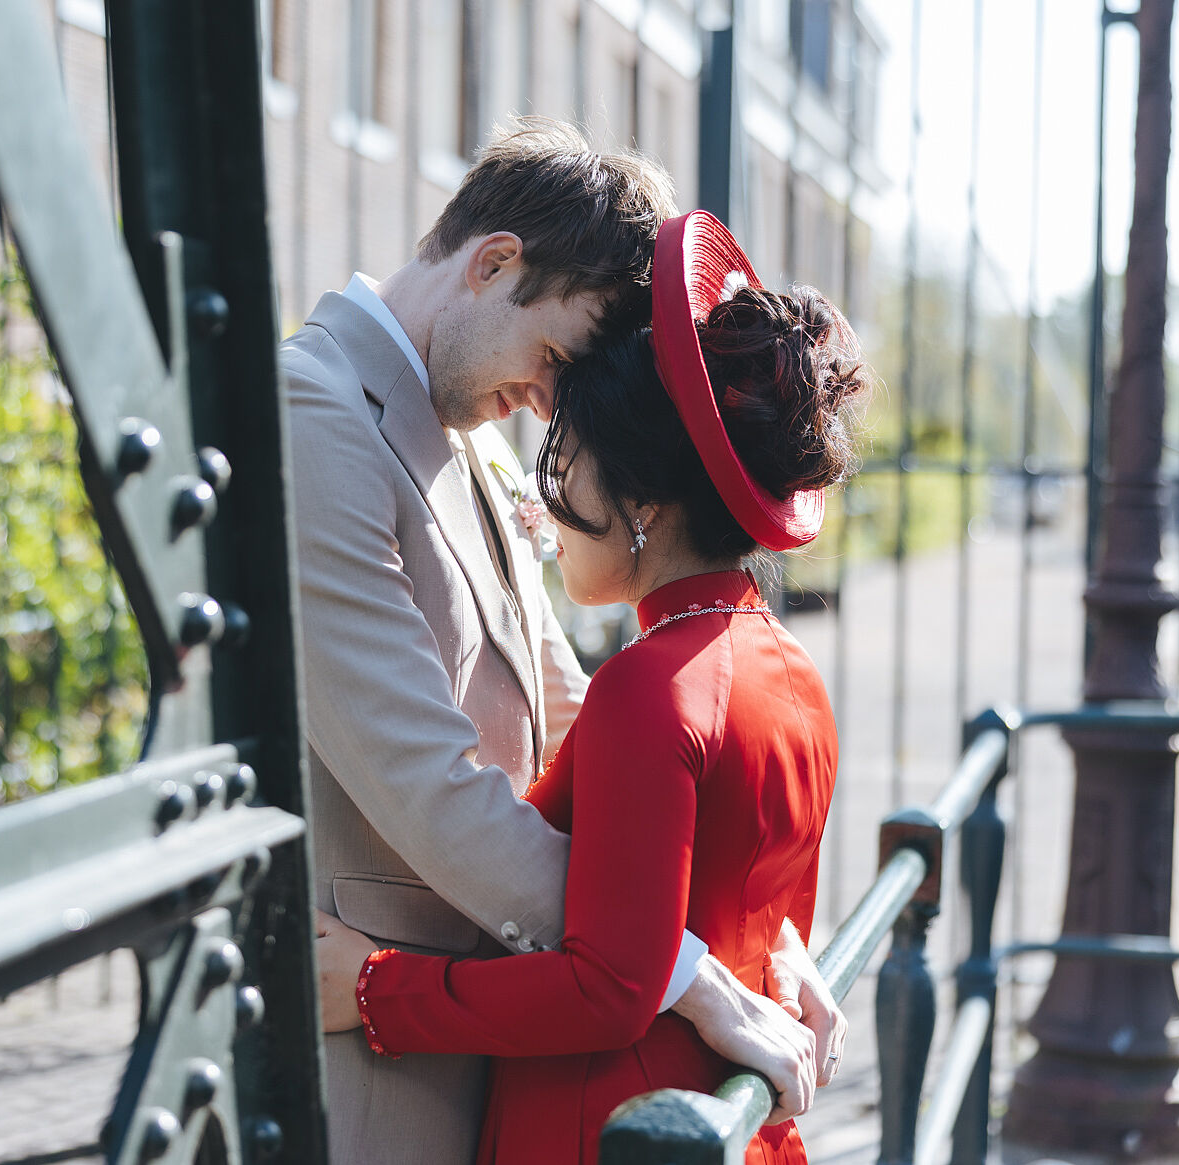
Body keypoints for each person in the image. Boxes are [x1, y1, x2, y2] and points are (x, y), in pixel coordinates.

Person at [282, 120, 845, 1165]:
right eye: (555, 356)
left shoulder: (468, 438)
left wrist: (749, 935)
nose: (550, 405)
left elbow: (576, 714)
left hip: (480, 1027)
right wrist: (683, 973)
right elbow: (422, 780)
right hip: (365, 1059)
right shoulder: (310, 411)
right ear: (494, 263)